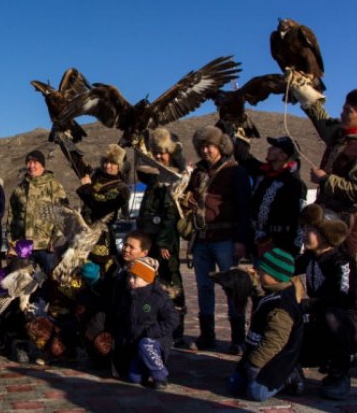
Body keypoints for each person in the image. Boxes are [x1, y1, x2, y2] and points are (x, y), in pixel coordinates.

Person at [182, 126, 252, 353]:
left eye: (209, 146)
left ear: (220, 146)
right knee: (203, 287)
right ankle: (207, 335)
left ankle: (238, 338)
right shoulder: (198, 173)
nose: (205, 150)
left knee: (232, 287)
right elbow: (188, 197)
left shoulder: (235, 172)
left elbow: (245, 208)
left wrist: (241, 240)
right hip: (201, 237)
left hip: (226, 237)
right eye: (201, 146)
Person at [295, 204, 357, 400]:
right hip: (318, 322)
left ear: (325, 233)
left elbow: (344, 298)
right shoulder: (311, 258)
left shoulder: (342, 262)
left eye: (310, 230)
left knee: (334, 316)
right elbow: (286, 268)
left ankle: (340, 374)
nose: (305, 234)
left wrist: (307, 305)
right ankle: (290, 369)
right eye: (304, 229)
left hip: (346, 326)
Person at [227, 248, 305, 401]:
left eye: (262, 270)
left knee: (256, 393)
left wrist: (254, 363)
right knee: (234, 385)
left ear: (275, 276)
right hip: (256, 352)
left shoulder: (282, 305)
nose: (257, 271)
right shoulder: (269, 290)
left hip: (277, 358)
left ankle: (290, 376)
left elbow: (275, 341)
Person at [136, 128, 189, 347]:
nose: (159, 156)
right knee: (148, 279)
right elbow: (139, 167)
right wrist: (140, 138)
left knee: (171, 281)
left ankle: (176, 328)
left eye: (162, 153)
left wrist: (165, 241)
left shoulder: (176, 176)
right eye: (156, 152)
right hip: (148, 236)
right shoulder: (154, 175)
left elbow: (172, 212)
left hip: (166, 239)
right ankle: (150, 320)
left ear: (172, 152)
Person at [290, 83, 357, 257]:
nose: (342, 114)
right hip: (326, 219)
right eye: (343, 109)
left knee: (347, 273)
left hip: (350, 226)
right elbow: (322, 120)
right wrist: (304, 93)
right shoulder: (340, 136)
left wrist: (325, 180)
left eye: (348, 111)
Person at [110, 256, 179, 389]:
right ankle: (146, 368)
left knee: (146, 345)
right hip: (134, 343)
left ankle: (160, 375)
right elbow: (121, 320)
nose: (131, 280)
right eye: (130, 276)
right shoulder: (128, 296)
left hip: (155, 341)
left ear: (147, 279)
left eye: (135, 277)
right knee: (133, 378)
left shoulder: (158, 297)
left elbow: (172, 319)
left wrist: (151, 332)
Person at [234, 134, 307, 257]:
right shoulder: (264, 173)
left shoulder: (294, 183)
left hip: (281, 246)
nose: (269, 149)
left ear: (283, 156)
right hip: (257, 242)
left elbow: (300, 219)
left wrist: (294, 250)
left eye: (274, 148)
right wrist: (234, 128)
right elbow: (244, 157)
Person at [7, 150, 68, 274]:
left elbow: (62, 213)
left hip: (46, 246)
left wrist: (56, 240)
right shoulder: (20, 189)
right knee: (22, 285)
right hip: (23, 246)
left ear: (43, 165)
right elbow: (11, 217)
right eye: (29, 162)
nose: (31, 166)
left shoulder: (53, 186)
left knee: (54, 281)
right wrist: (11, 242)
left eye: (35, 162)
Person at [77, 143, 130, 257]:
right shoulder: (95, 176)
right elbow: (78, 165)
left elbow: (101, 207)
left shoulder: (121, 188)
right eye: (106, 161)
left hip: (100, 235)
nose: (107, 165)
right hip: (83, 231)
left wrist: (86, 187)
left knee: (95, 270)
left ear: (119, 166)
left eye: (112, 163)